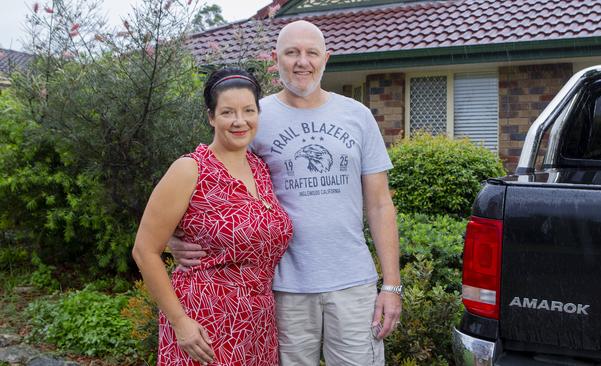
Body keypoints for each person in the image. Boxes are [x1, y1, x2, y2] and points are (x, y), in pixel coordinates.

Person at [170, 20, 401, 365]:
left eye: (311, 53)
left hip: (353, 283)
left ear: (327, 58)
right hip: (283, 288)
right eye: (291, 52)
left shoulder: (358, 116)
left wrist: (392, 286)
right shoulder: (254, 116)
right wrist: (176, 236)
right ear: (276, 58)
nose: (301, 61)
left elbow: (381, 205)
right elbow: (212, 181)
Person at [132, 68, 293, 366]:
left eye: (248, 110)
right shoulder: (190, 170)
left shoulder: (261, 168)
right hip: (203, 326)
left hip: (257, 327)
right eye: (227, 112)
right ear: (211, 117)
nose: (239, 121)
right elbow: (144, 250)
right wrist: (180, 322)